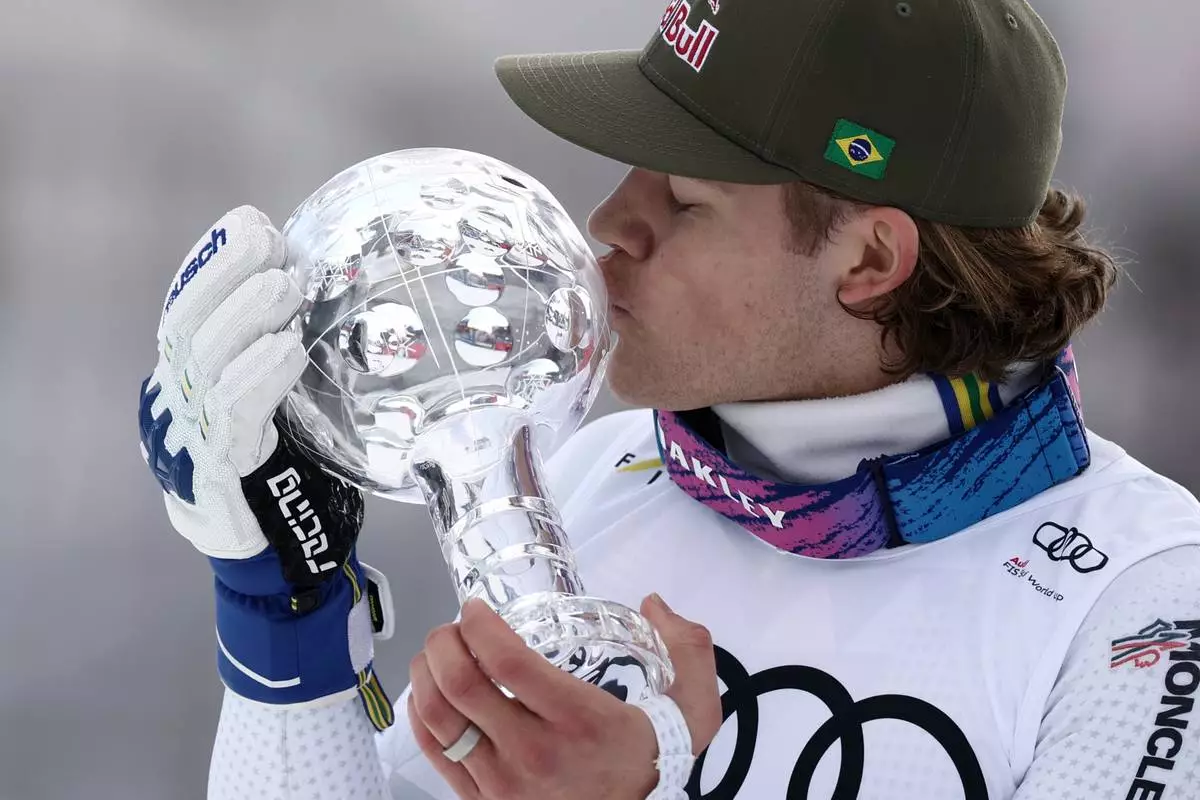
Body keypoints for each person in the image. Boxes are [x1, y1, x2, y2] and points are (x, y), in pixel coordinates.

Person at [138, 0, 1200, 798]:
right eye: (629, 172)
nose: (608, 223)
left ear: (870, 255)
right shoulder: (591, 479)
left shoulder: (1145, 601)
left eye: (683, 200)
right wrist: (285, 622)